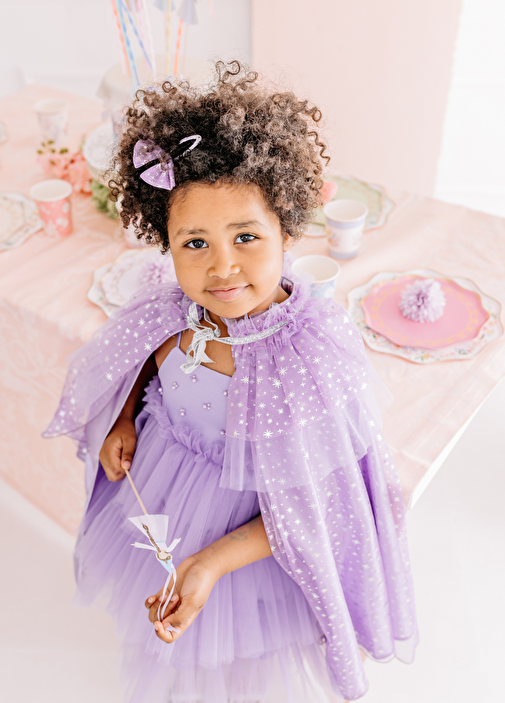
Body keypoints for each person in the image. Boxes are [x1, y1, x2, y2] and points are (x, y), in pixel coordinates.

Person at [44, 61, 418, 703]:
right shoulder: (171, 307)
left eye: (246, 236)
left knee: (238, 648)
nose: (222, 266)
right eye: (194, 243)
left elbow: (318, 504)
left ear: (287, 229)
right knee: (170, 621)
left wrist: (212, 561)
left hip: (251, 537)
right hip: (167, 486)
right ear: (164, 241)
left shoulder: (305, 363)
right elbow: (146, 360)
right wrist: (125, 417)